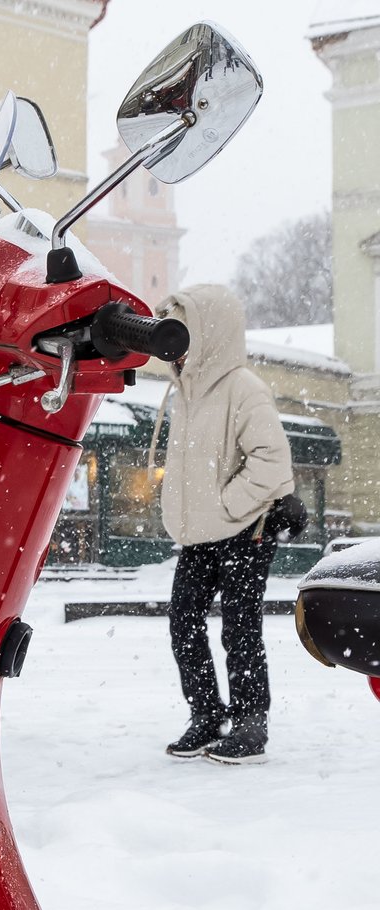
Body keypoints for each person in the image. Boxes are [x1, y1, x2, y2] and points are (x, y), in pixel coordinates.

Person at [153, 283, 304, 765]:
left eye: (183, 334)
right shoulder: (184, 391)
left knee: (240, 627)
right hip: (200, 534)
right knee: (183, 622)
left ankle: (250, 724)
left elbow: (272, 463)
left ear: (208, 334)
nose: (176, 347)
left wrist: (225, 506)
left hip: (246, 529)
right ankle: (206, 715)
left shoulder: (244, 387)